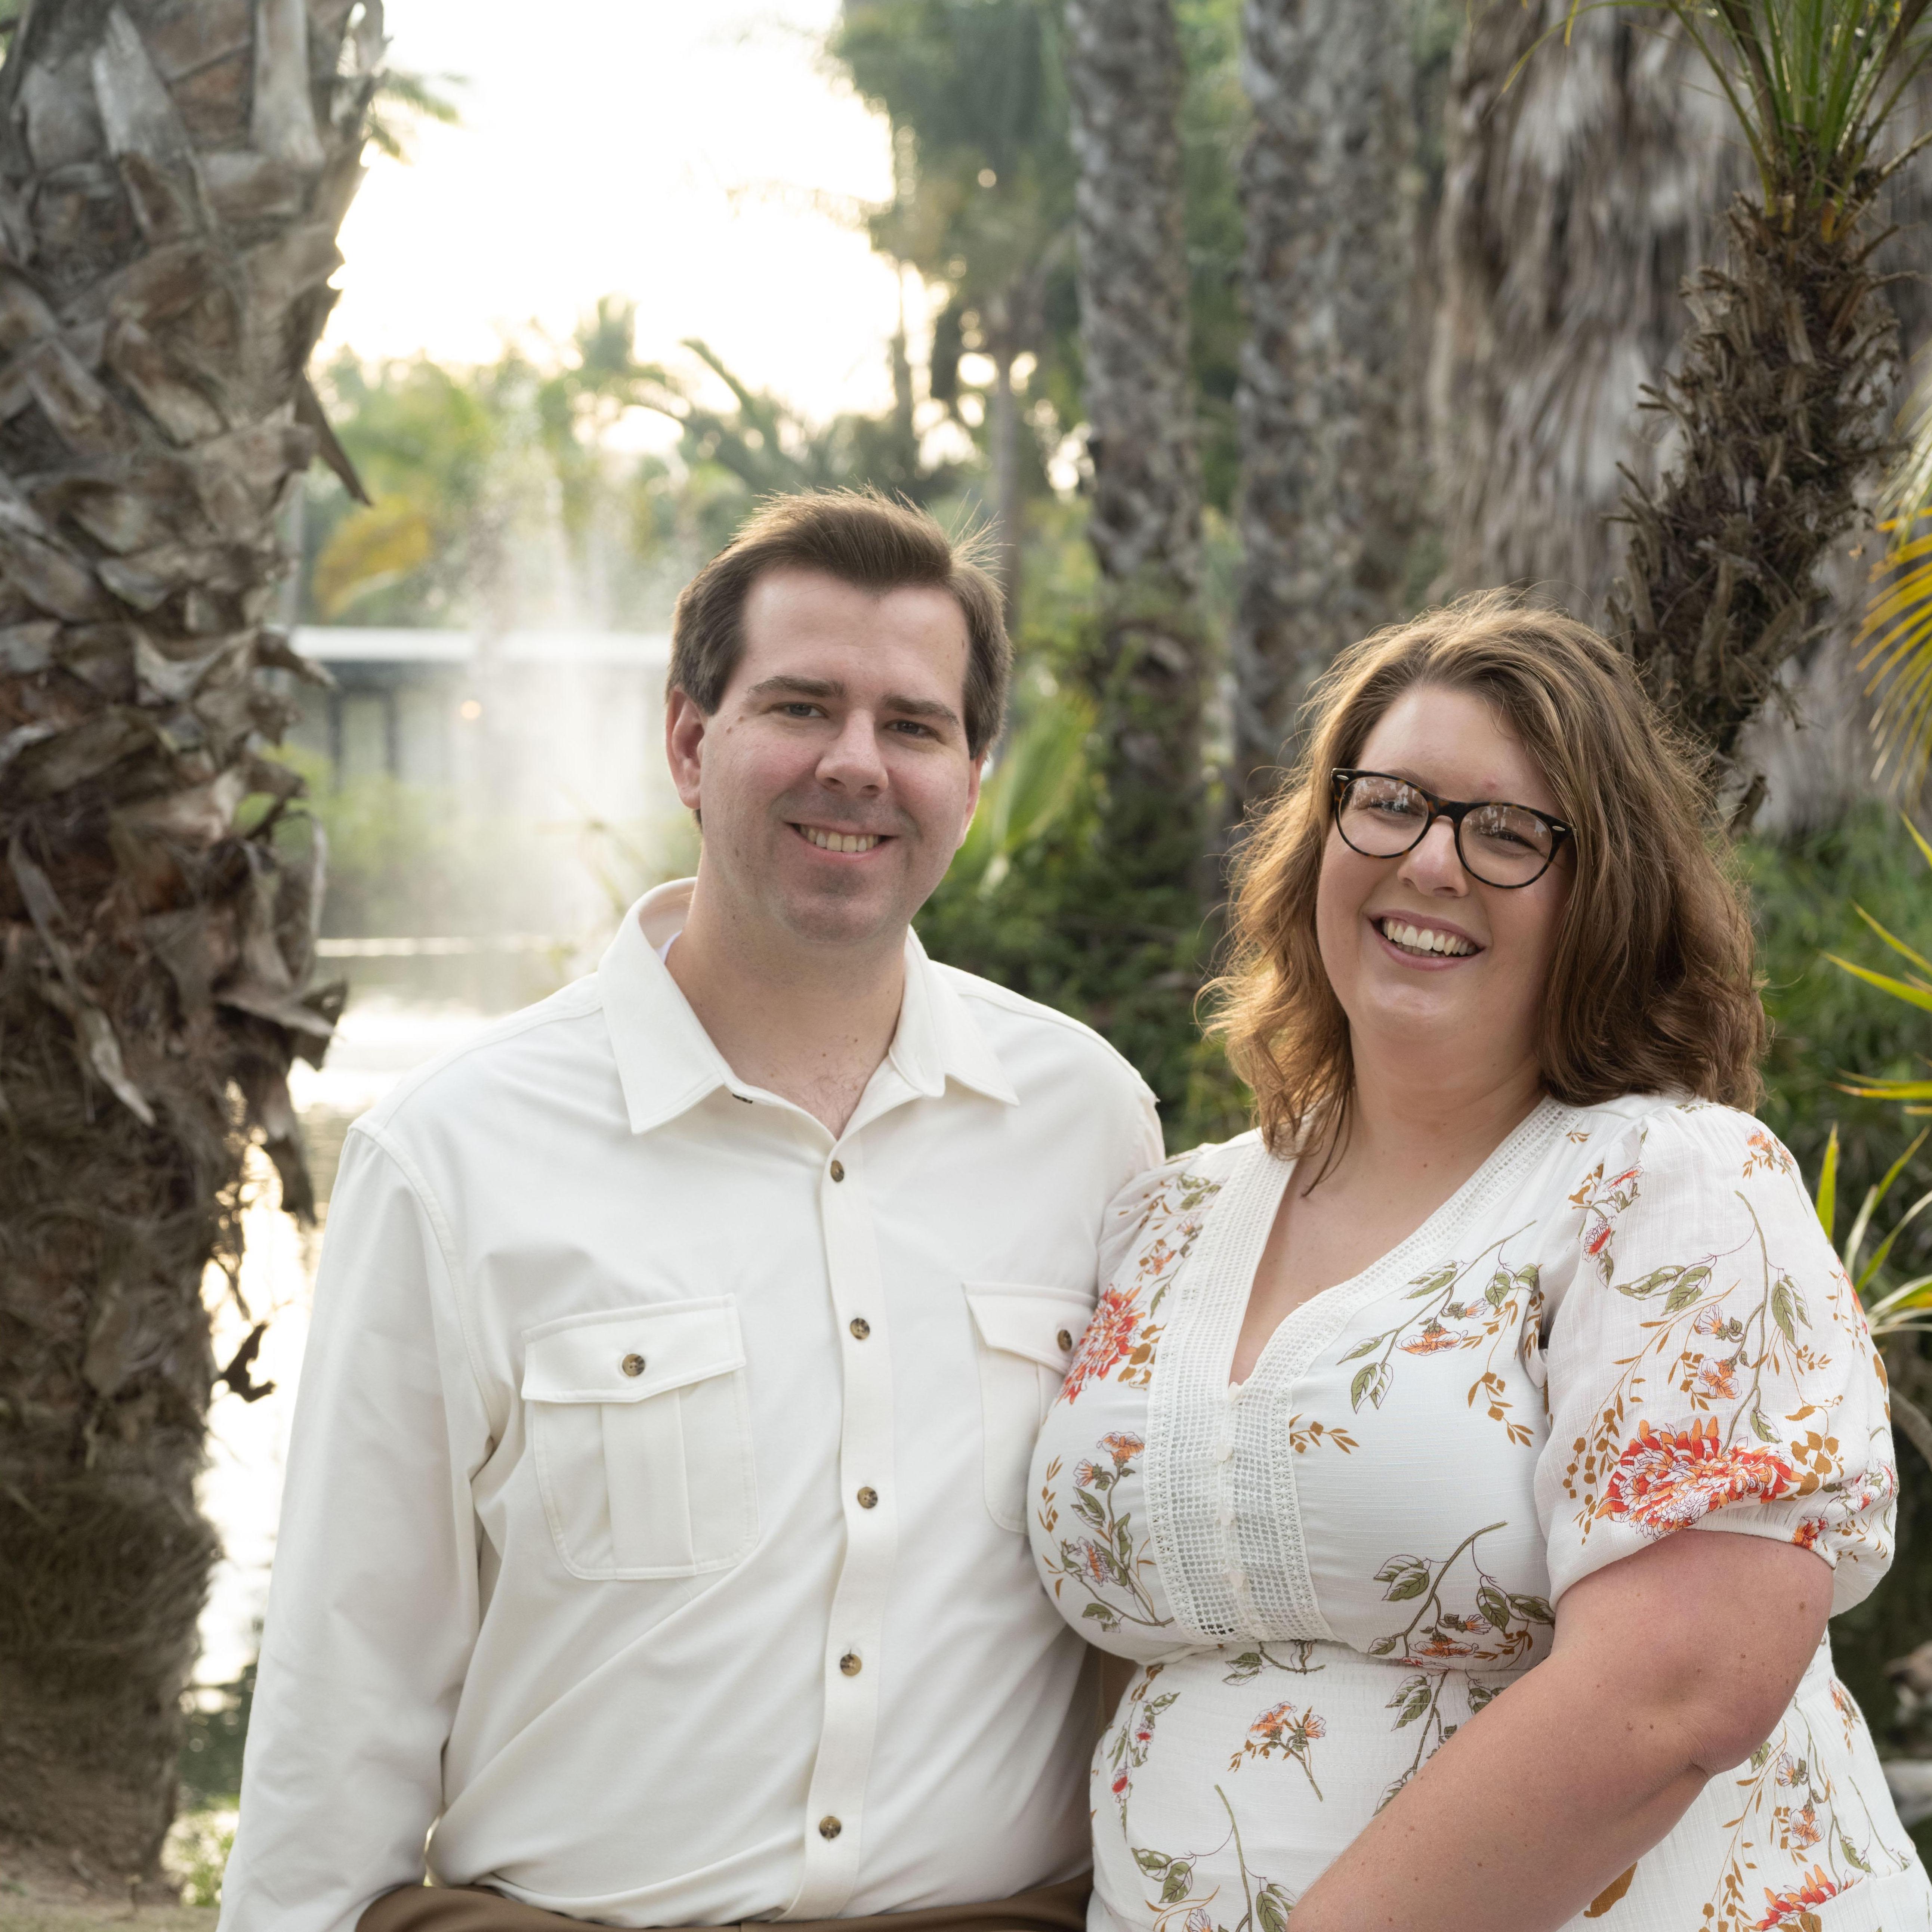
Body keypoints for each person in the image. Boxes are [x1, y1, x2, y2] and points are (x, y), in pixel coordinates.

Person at [218, 491, 1162, 1932]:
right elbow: (344, 1675)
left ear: (972, 778)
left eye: (912, 725)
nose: (856, 763)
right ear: (687, 741)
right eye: (800, 706)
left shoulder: (1088, 1123)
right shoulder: (451, 1152)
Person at [1030, 594, 1932, 1932]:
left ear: (1602, 896)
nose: (1431, 861)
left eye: (1508, 832)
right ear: (1322, 833)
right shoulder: (1164, 1220)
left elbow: (1673, 1696)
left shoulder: (1673, 1185)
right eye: (1389, 802)